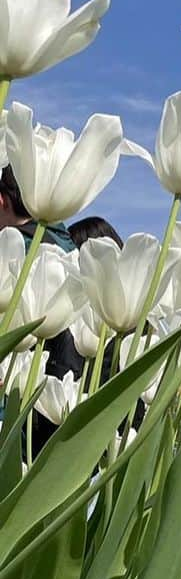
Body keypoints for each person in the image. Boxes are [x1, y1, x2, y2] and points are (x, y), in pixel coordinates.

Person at [0, 166, 83, 452]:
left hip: (18, 413)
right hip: (65, 402)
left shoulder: (14, 249)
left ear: (1, 201)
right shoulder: (75, 251)